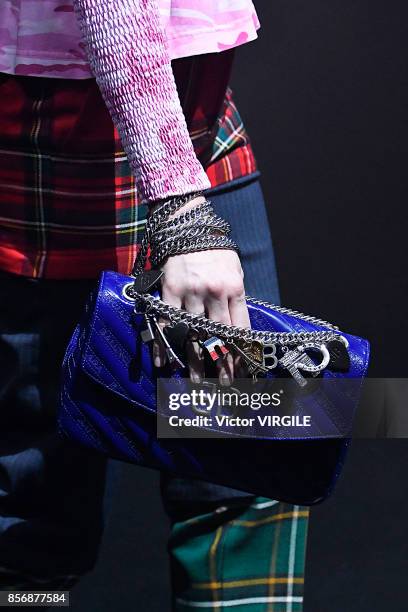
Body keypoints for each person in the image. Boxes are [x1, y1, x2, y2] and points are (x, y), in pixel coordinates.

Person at [0, 0, 309, 609]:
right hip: (59, 143)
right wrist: (183, 212)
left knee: (250, 467)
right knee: (29, 522)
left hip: (198, 132)